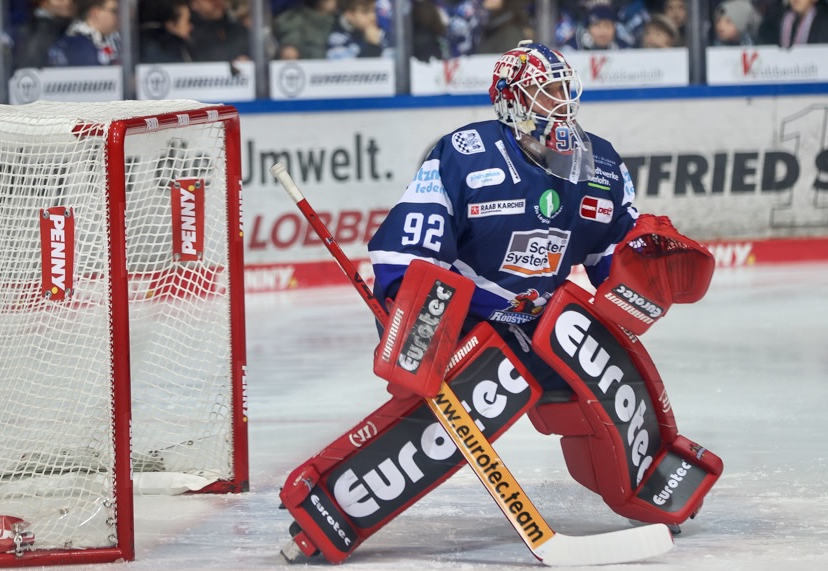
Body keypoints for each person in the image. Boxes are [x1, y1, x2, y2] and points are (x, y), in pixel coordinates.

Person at [278, 40, 722, 565]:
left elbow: (612, 253)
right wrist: (417, 326)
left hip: (544, 318)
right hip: (467, 321)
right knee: (487, 388)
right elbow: (411, 248)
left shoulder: (599, 162)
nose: (559, 103)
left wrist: (646, 262)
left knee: (607, 362)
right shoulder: (464, 154)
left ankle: (648, 479)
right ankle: (330, 508)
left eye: (563, 90)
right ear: (511, 101)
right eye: (545, 92)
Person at [47, 0, 119, 66]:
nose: (118, 16)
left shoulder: (103, 40)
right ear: (96, 13)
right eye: (114, 11)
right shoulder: (77, 45)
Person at [14, 0, 74, 69]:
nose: (68, 2)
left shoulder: (66, 28)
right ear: (43, 2)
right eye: (59, 0)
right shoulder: (37, 33)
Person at [564, 4, 632, 49]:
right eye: (597, 26)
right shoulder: (572, 48)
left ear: (614, 29)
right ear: (588, 29)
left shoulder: (624, 49)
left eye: (607, 26)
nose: (602, 31)